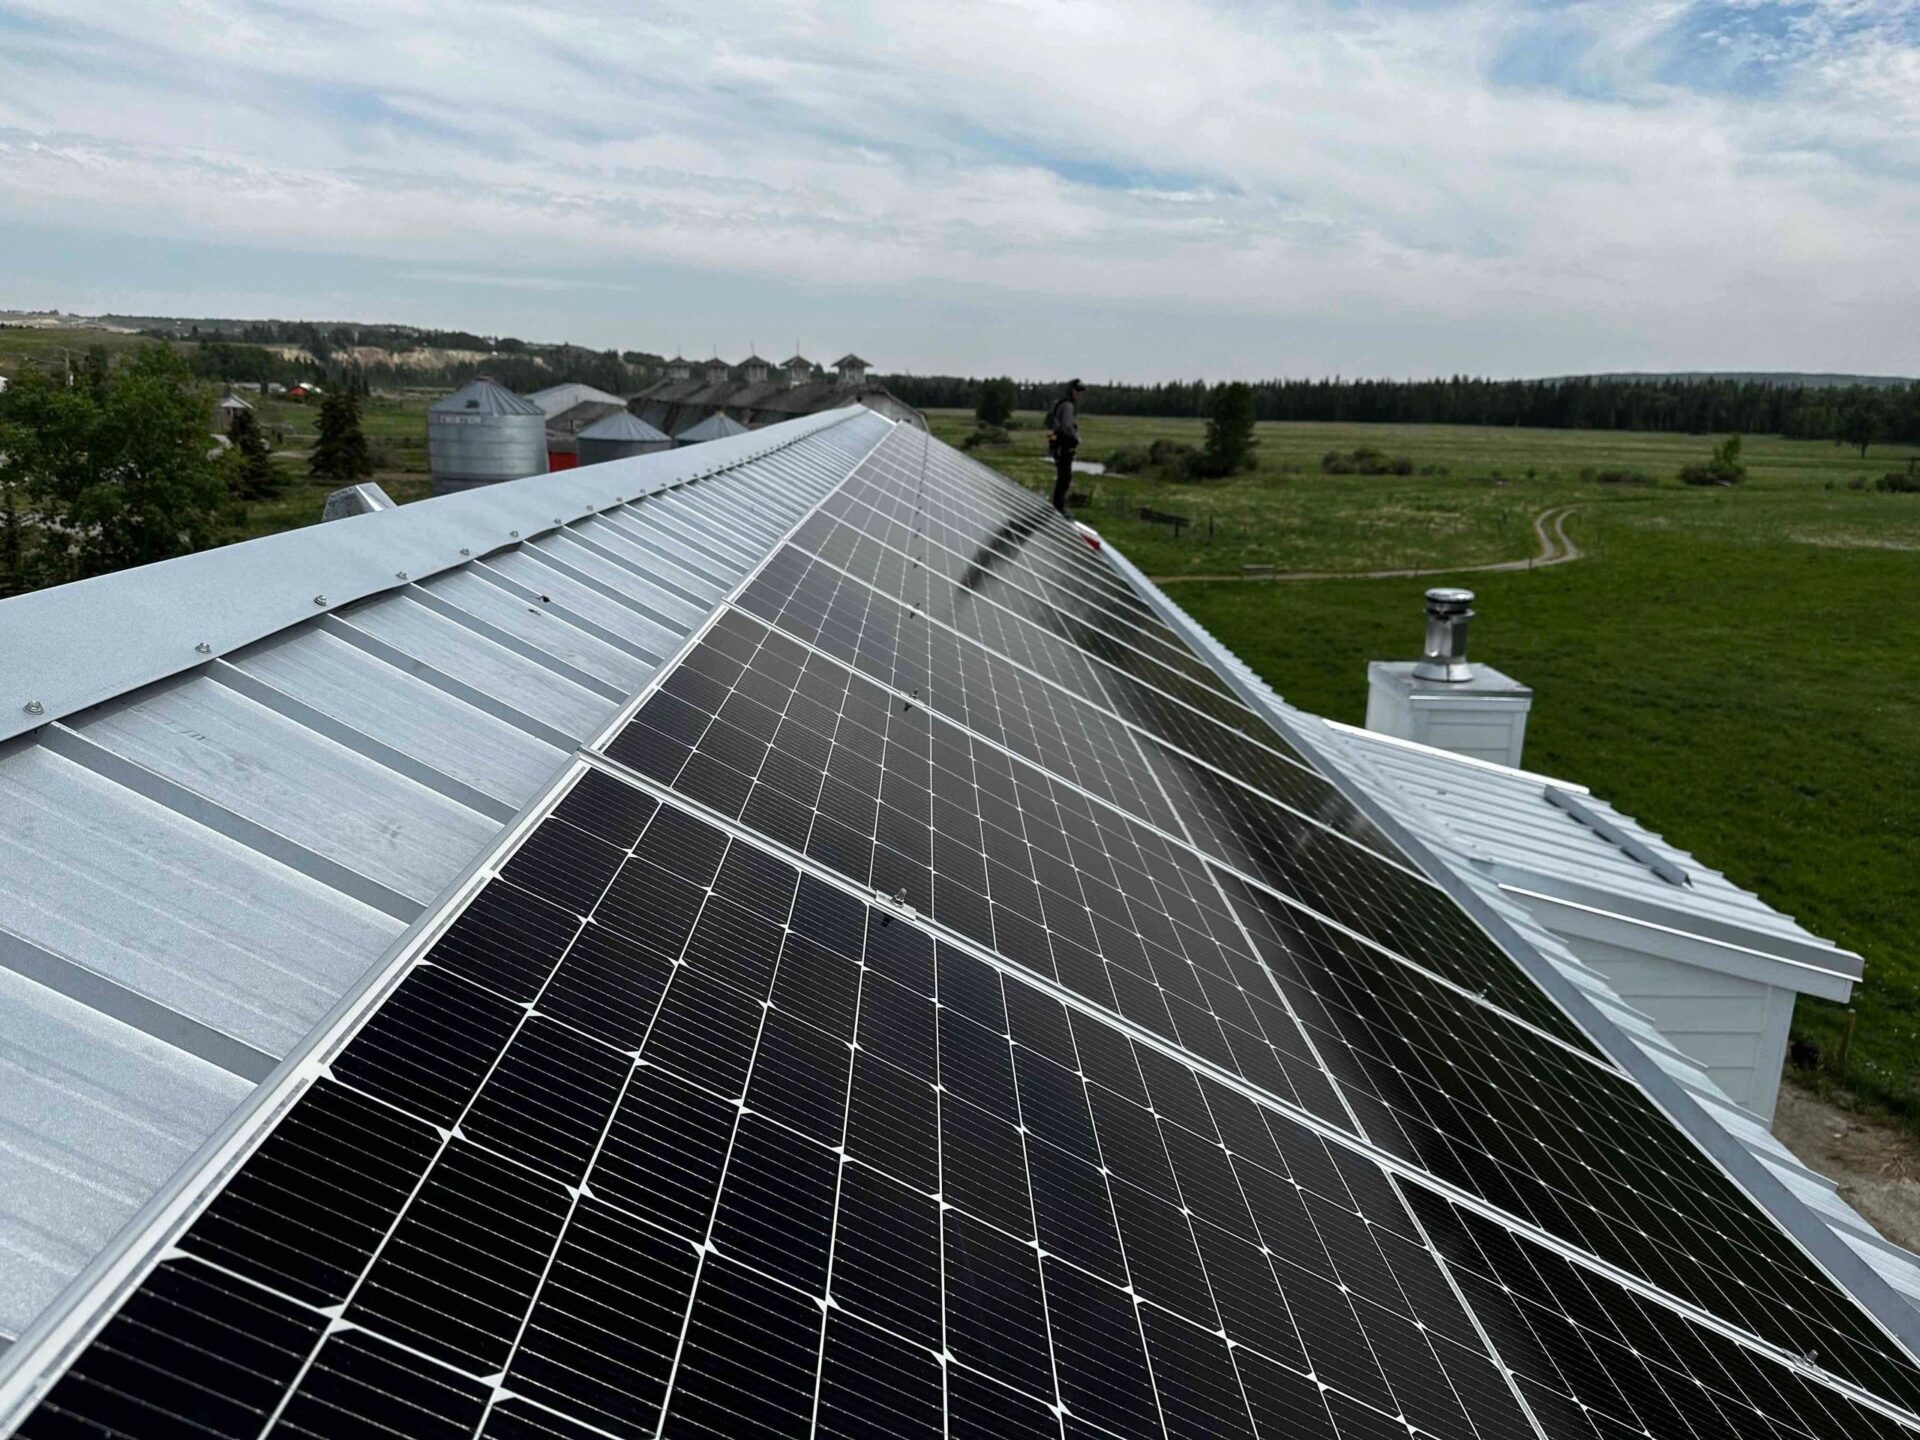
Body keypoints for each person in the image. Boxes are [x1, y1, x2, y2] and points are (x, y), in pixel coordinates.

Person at [1045, 379, 1087, 513]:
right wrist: (1076, 437)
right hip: (1064, 443)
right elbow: (1067, 426)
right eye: (1078, 391)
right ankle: (1059, 507)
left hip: (1056, 442)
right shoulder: (1068, 406)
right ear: (1072, 391)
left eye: (1082, 391)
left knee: (1062, 474)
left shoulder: (1059, 403)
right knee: (1065, 476)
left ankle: (1058, 505)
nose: (1080, 394)